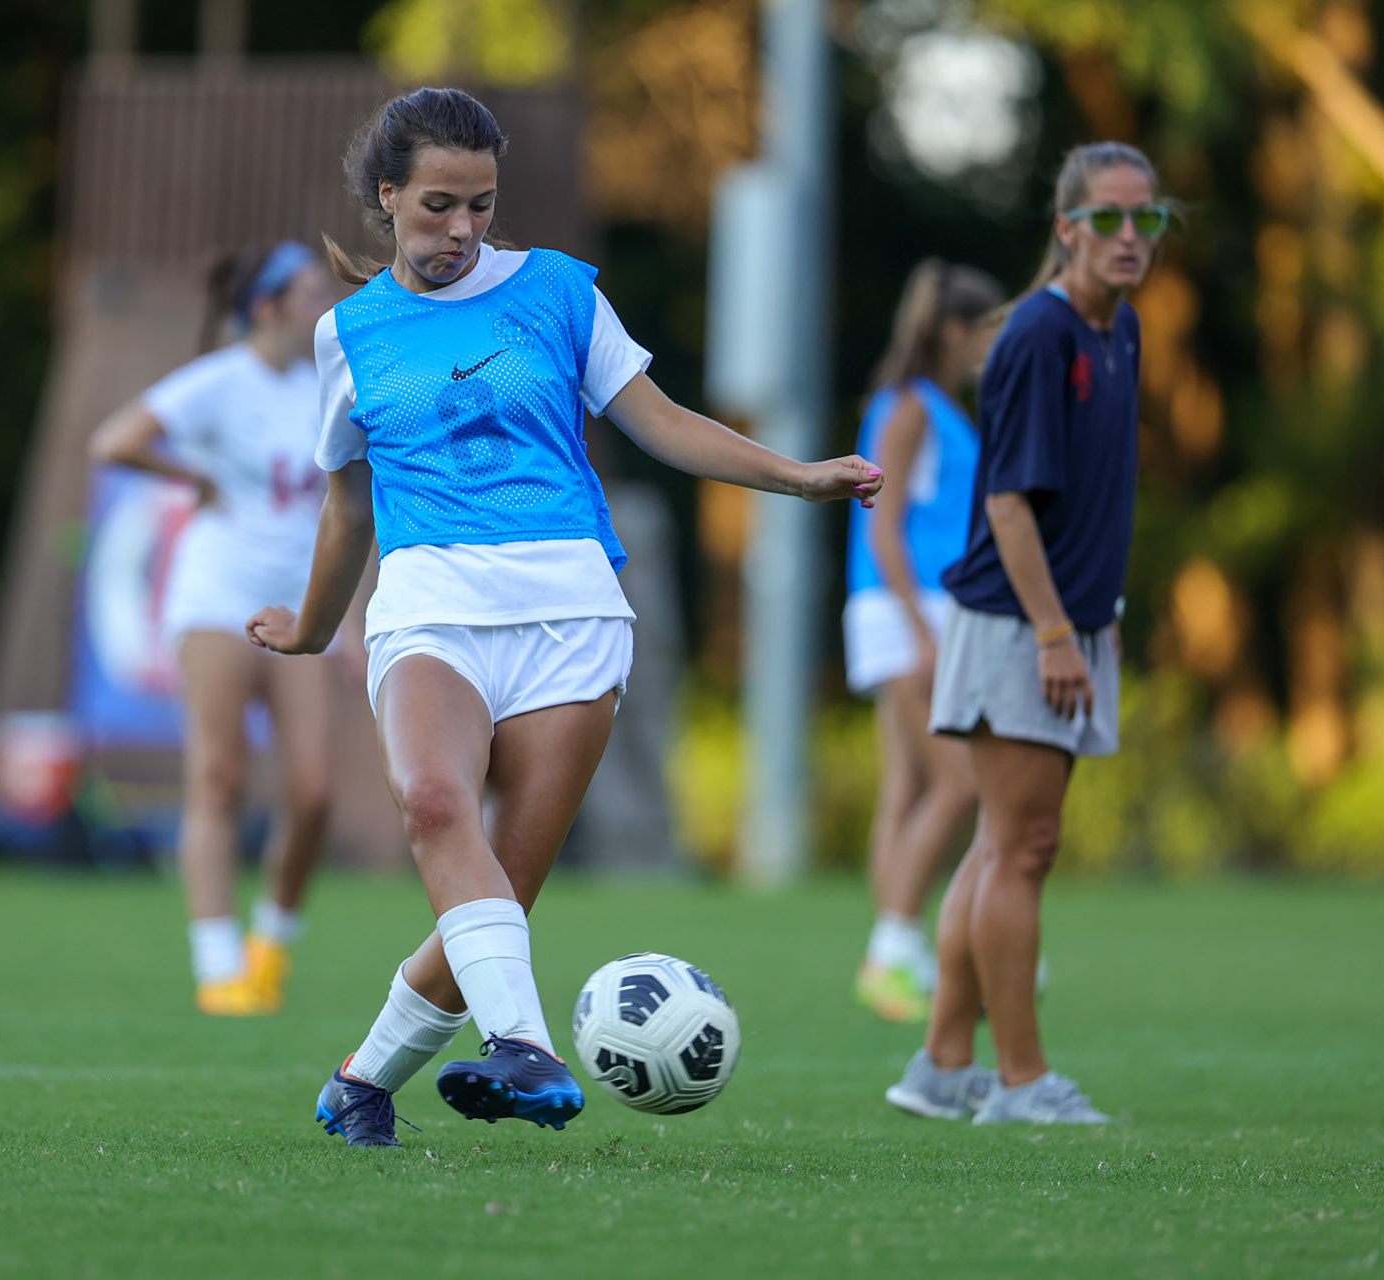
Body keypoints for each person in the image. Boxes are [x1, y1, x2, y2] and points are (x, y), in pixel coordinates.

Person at [245, 86, 882, 1147]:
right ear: (388, 196)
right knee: (439, 811)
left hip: (574, 610)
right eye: (439, 205)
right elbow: (347, 498)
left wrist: (797, 477)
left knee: (492, 902)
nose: (461, 229)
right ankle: (529, 1051)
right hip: (429, 604)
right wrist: (313, 628)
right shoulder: (347, 333)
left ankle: (360, 1082)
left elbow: (663, 422)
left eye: (482, 206)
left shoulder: (557, 293)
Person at [885, 142, 1168, 1125]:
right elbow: (1009, 505)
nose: (1130, 237)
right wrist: (1055, 630)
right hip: (1018, 622)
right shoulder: (1038, 336)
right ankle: (1019, 1080)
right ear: (1067, 228)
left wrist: (1103, 617)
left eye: (1147, 219)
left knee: (1006, 845)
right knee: (1023, 846)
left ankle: (942, 1065)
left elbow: (1094, 500)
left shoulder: (1118, 331)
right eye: (1109, 218)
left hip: (1068, 622)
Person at [89, 242, 338, 1017]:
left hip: (296, 607)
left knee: (314, 790)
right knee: (219, 777)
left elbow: (346, 509)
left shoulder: (327, 388)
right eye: (305, 295)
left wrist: (351, 617)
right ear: (266, 308)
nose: (320, 306)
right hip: (217, 599)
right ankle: (217, 962)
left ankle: (271, 942)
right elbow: (113, 441)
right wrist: (192, 477)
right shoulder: (219, 381)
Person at [845, 259, 1005, 1022]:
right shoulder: (912, 406)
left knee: (910, 789)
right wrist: (919, 629)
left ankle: (896, 960)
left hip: (906, 612)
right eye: (982, 332)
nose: (986, 348)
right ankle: (896, 949)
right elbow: (884, 526)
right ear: (952, 330)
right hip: (913, 612)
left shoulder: (928, 404)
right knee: (961, 785)